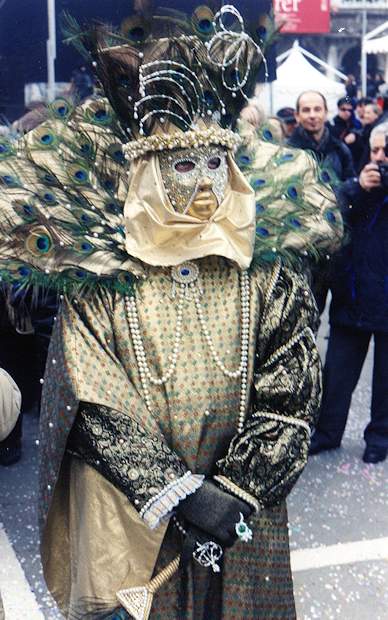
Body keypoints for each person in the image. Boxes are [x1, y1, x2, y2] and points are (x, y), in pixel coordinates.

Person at [0, 5, 342, 618]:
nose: (206, 183)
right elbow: (91, 393)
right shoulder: (103, 282)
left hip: (243, 522)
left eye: (216, 163)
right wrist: (177, 492)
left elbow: (292, 385)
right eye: (185, 164)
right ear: (150, 170)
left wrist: (236, 490)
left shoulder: (269, 271)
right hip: (137, 518)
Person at [310, 122, 388, 464]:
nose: (380, 158)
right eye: (375, 151)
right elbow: (329, 210)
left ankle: (380, 438)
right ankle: (328, 433)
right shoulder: (356, 186)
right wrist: (358, 187)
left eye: (387, 151)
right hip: (352, 297)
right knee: (338, 376)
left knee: (386, 382)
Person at [288, 90, 355, 184]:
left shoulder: (341, 150)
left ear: (326, 113)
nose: (312, 115)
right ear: (297, 115)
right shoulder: (287, 151)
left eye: (317, 109)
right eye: (306, 110)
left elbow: (350, 187)